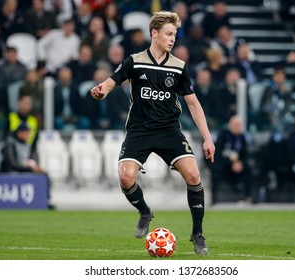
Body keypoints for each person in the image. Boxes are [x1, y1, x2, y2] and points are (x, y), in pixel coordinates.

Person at [90, 11, 215, 255]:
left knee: (193, 174)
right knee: (126, 177)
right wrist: (100, 91)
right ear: (154, 33)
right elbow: (112, 82)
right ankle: (145, 212)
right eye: (168, 34)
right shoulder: (134, 61)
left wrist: (208, 138)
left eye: (175, 35)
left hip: (169, 130)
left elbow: (193, 104)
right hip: (139, 131)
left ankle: (197, 233)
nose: (172, 39)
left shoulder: (179, 67)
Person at [0, 122, 54, 209]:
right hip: (10, 173)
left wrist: (35, 167)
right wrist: (31, 170)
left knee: (44, 175)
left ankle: (46, 200)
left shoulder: (27, 145)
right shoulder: (10, 144)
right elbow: (12, 165)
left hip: (23, 171)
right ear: (19, 133)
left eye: (28, 132)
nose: (27, 135)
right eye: (25, 132)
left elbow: (32, 159)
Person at [211, 115, 252, 204]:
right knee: (215, 169)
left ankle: (248, 197)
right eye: (235, 125)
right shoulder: (223, 135)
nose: (237, 127)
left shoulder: (242, 137)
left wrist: (239, 163)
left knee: (248, 168)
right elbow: (218, 153)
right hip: (225, 163)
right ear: (230, 125)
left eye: (238, 125)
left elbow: (244, 154)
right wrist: (230, 163)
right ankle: (214, 197)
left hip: (238, 164)